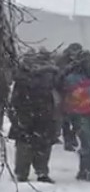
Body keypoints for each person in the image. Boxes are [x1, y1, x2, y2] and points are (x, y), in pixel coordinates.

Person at [9, 51, 60, 183]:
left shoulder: (22, 78)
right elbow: (56, 98)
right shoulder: (51, 76)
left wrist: (16, 117)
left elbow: (15, 101)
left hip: (27, 116)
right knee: (42, 146)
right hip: (43, 115)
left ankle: (22, 173)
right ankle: (41, 172)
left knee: (25, 146)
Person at [62, 50, 90, 181]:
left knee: (88, 142)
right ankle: (88, 170)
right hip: (80, 113)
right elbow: (76, 95)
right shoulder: (73, 77)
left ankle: (84, 170)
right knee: (87, 142)